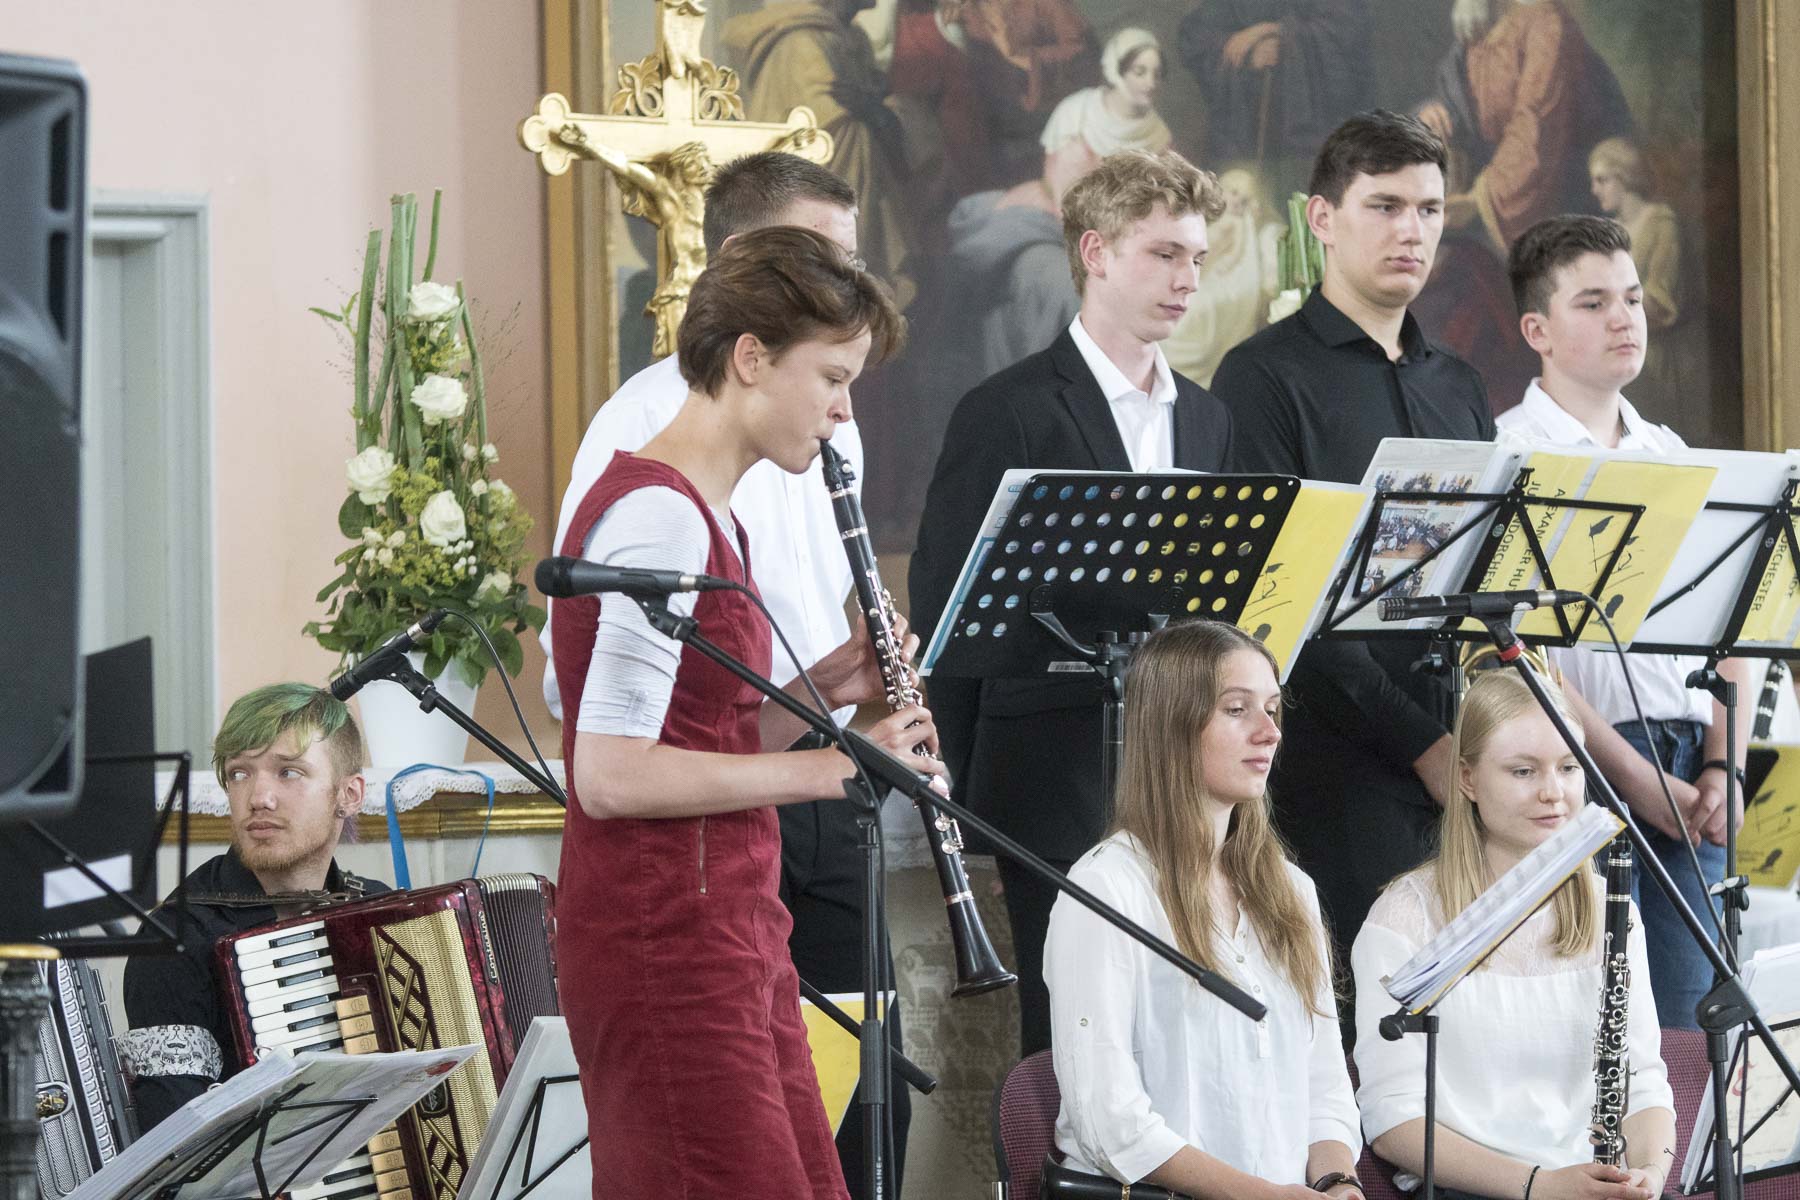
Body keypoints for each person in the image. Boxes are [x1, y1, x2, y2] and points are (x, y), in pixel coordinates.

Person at [540, 151, 913, 1196]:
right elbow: (609, 773)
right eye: (832, 380)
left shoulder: (710, 512)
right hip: (666, 937)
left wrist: (828, 694)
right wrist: (833, 769)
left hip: (730, 924)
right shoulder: (658, 515)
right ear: (752, 357)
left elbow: (704, 740)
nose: (844, 413)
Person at [911, 148, 1235, 1057]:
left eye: (1197, 258)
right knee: (1072, 1038)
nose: (1187, 279)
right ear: (1095, 252)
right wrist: (966, 806)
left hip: (1183, 774)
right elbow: (947, 611)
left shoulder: (1208, 417)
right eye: (1164, 254)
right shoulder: (1006, 409)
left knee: (1180, 1035)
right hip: (1050, 777)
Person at [1212, 110, 1493, 973]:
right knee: (1364, 1017)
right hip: (1332, 768)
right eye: (1385, 206)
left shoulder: (1460, 384)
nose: (1413, 230)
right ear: (1322, 218)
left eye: (1430, 209)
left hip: (1466, 758)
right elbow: (1282, 601)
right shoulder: (1262, 376)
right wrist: (1422, 744)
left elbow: (1484, 579)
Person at [1496, 213, 1751, 1028]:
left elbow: (1734, 625)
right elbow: (1519, 653)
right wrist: (1634, 778)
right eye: (1594, 302)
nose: (1624, 318)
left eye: (1633, 299)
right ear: (1537, 330)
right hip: (1580, 767)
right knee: (1600, 1024)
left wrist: (1726, 767)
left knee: (1692, 1025)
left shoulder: (1672, 454)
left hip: (1695, 766)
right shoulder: (1511, 456)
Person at [1045, 620, 1363, 1197]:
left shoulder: (1291, 888)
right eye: (1237, 710)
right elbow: (1109, 1123)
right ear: (1173, 727)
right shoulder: (1106, 888)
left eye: (1272, 709)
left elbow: (1324, 1087)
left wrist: (1339, 1183)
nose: (1269, 732)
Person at [1352, 671, 1676, 1200]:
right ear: (1467, 779)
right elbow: (1392, 1121)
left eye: (1569, 767)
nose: (1553, 792)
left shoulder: (1611, 910)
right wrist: (1540, 1186)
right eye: (1523, 771)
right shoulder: (1404, 919)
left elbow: (1642, 1082)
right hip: (1473, 1190)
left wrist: (1649, 1174)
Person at [120, 684, 388, 1130]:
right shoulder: (173, 942)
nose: (258, 798)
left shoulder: (379, 913)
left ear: (349, 794)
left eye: (289, 772)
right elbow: (176, 1146)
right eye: (240, 773)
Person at [1037, 26, 1170, 161]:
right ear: (1116, 71)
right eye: (1139, 72)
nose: (1151, 83)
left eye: (1157, 75)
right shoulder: (1075, 112)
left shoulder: (1159, 134)